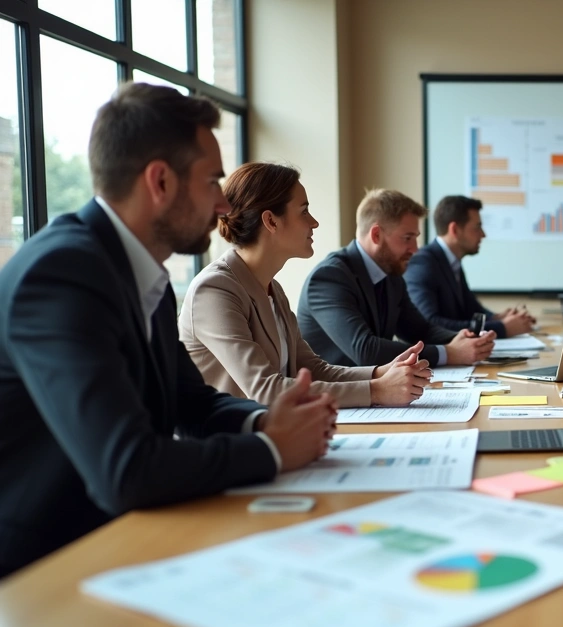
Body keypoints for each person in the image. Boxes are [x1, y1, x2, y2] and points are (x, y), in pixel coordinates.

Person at [0, 83, 336, 577]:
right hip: (48, 564)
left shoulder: (139, 270)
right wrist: (270, 449)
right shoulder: (62, 274)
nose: (224, 205)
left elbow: (189, 400)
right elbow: (127, 469)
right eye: (211, 181)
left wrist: (264, 422)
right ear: (160, 182)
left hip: (123, 538)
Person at [179, 162, 432, 408]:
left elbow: (312, 369)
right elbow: (265, 389)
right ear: (271, 221)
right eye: (304, 211)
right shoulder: (215, 289)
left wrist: (380, 373)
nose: (314, 222)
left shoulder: (273, 289)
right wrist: (377, 390)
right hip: (231, 444)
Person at [297, 189, 496, 367]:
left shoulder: (390, 273)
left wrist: (464, 340)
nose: (415, 249)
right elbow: (365, 350)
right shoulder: (329, 278)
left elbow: (420, 330)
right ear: (376, 235)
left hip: (373, 395)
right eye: (407, 238)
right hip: (332, 401)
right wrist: (449, 353)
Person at [405, 195, 535, 337]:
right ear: (454, 229)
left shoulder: (451, 261)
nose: (483, 234)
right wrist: (502, 327)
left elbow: (471, 310)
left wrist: (498, 318)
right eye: (477, 227)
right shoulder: (424, 264)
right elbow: (429, 323)